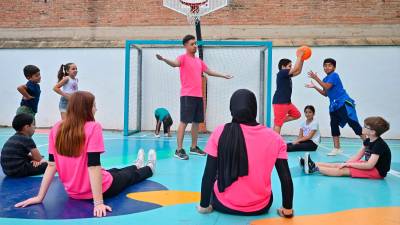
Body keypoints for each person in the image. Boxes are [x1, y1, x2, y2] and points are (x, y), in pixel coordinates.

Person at [14, 91, 156, 218]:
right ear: (86, 109)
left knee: (114, 171)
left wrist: (40, 197)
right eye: (94, 105)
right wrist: (98, 203)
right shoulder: (93, 127)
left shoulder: (56, 127)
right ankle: (149, 168)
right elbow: (93, 166)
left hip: (73, 192)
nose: (96, 108)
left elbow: (51, 165)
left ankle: (136, 164)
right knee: (129, 177)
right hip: (101, 189)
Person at [198, 89, 294, 218]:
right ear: (254, 108)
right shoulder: (275, 138)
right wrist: (287, 209)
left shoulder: (220, 132)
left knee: (216, 174)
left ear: (232, 109)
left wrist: (204, 206)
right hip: (260, 206)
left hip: (223, 205)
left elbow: (208, 174)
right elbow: (286, 178)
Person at [156, 34, 233, 160]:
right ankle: (179, 149)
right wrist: (164, 59)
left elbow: (209, 71)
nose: (195, 46)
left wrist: (223, 75)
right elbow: (174, 64)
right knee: (184, 122)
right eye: (192, 44)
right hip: (187, 95)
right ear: (185, 46)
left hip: (198, 96)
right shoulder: (182, 58)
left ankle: (193, 147)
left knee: (196, 122)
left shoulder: (199, 61)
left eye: (195, 44)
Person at [306, 58, 365, 155]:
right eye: (325, 65)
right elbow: (325, 93)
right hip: (334, 106)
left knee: (353, 123)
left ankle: (366, 143)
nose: (327, 67)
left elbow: (327, 86)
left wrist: (316, 78)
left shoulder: (334, 75)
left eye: (329, 65)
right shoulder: (325, 79)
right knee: (333, 125)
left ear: (334, 67)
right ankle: (337, 148)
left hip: (343, 103)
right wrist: (315, 87)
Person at [301, 116, 390, 180]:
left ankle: (313, 169)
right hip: (369, 166)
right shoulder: (367, 141)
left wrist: (348, 165)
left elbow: (369, 165)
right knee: (339, 165)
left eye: (365, 126)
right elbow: (357, 156)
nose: (362, 127)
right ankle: (311, 163)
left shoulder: (379, 145)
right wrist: (346, 162)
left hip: (376, 171)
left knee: (342, 171)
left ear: (373, 132)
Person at [272, 51, 306, 134]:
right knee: (278, 125)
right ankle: (275, 143)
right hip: (280, 102)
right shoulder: (282, 73)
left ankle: (278, 121)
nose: (291, 68)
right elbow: (295, 68)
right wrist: (299, 56)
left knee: (297, 115)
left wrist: (302, 60)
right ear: (283, 67)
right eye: (289, 66)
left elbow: (298, 71)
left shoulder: (286, 75)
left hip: (287, 103)